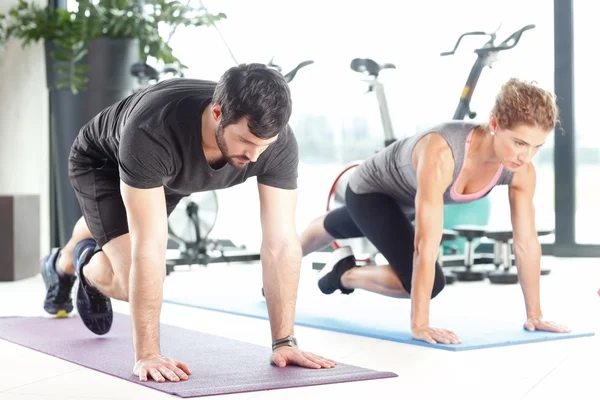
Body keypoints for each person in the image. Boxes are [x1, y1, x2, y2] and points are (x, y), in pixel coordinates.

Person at [40, 63, 336, 383]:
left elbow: (281, 243)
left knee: (117, 228)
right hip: (102, 163)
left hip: (165, 175)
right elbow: (149, 247)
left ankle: (62, 261)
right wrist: (148, 354)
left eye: (263, 145)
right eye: (245, 141)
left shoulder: (275, 145)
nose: (253, 156)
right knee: (129, 281)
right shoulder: (155, 129)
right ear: (218, 113)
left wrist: (284, 341)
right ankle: (84, 260)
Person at [300, 78, 571, 345]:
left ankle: (336, 266)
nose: (526, 156)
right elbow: (425, 245)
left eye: (537, 146)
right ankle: (307, 266)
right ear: (494, 123)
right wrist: (420, 324)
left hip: (404, 205)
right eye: (520, 143)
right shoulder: (442, 152)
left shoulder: (521, 170)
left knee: (346, 224)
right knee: (430, 283)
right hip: (370, 191)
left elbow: (525, 243)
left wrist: (535, 315)